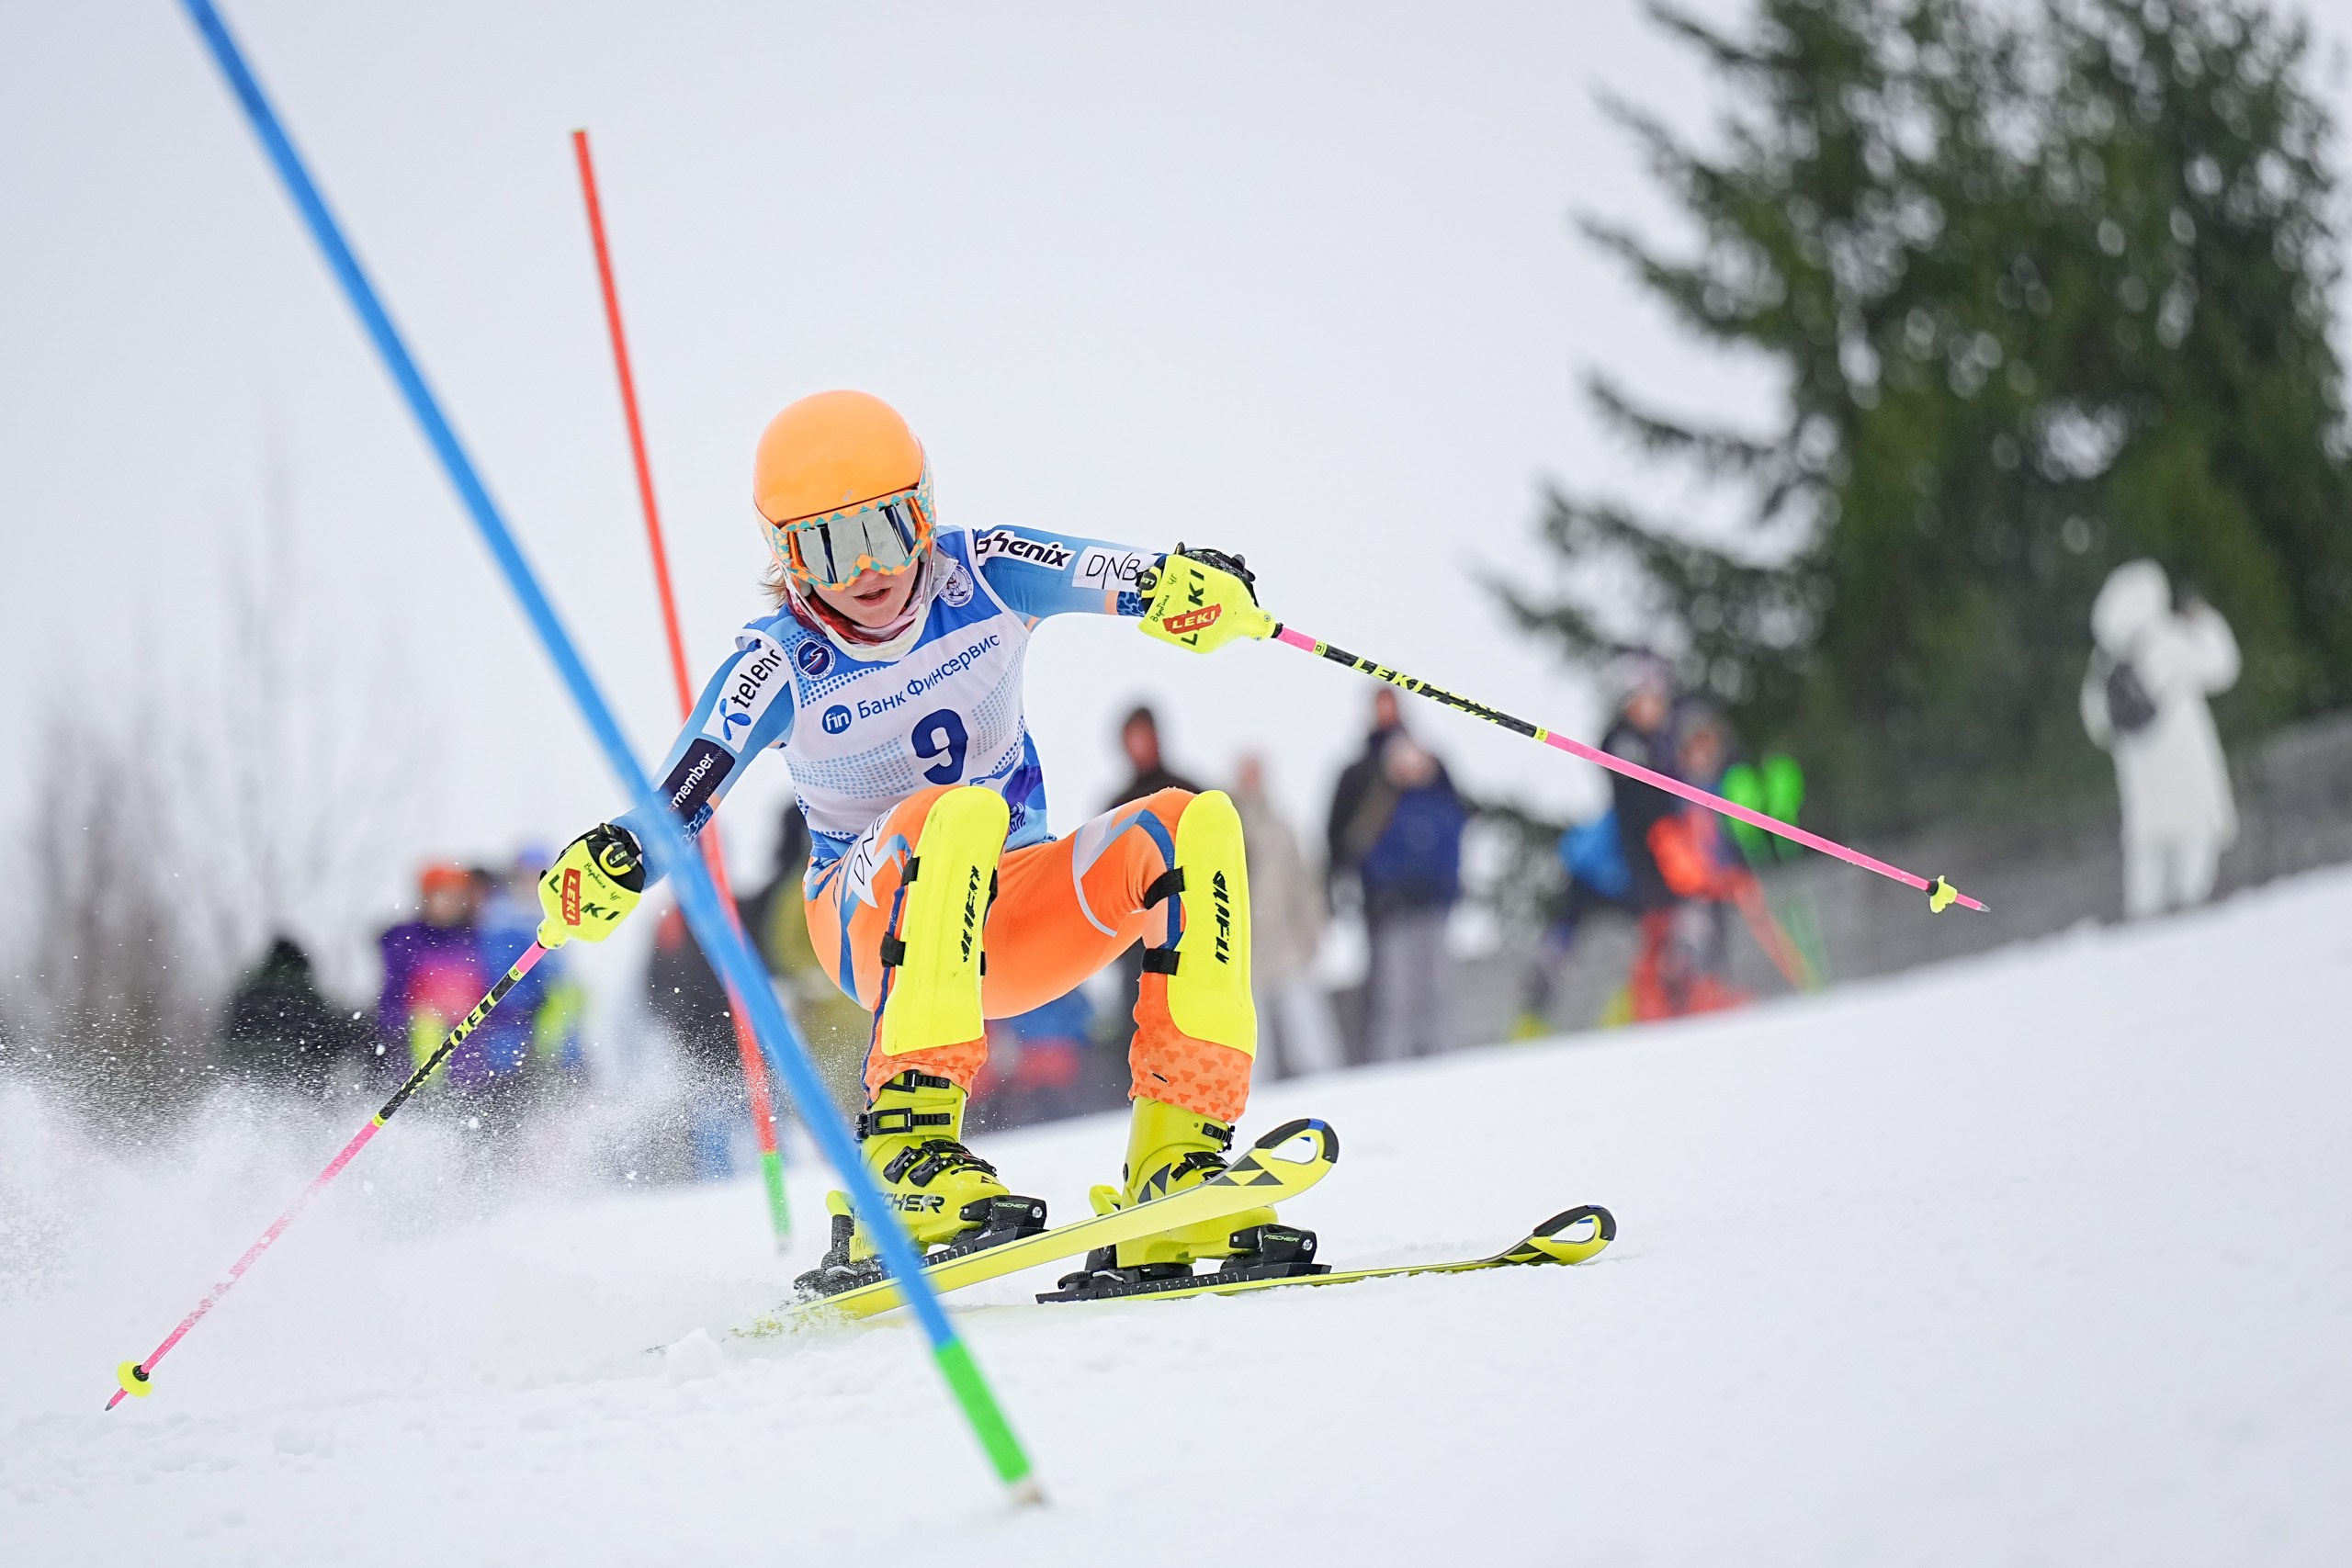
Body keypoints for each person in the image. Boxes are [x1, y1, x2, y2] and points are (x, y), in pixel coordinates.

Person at [528, 390, 1286, 1289]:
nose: (865, 569)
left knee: (1192, 824)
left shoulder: (987, 571)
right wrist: (615, 858)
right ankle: (902, 1155)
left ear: (923, 510)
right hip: (866, 917)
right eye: (826, 547)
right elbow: (680, 797)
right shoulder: (779, 661)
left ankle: (1179, 1158)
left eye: (885, 530)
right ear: (784, 556)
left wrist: (1187, 588)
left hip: (1013, 909)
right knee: (952, 814)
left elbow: (1118, 573)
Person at [2081, 559, 2242, 918]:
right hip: (2189, 768)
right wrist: (2205, 621)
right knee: (2196, 839)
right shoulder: (2167, 638)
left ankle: (2143, 919)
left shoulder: (2105, 659)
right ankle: (2192, 911)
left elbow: (2097, 723)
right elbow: (2222, 666)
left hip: (2141, 779)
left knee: (2147, 851)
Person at [1327, 690, 1467, 1063]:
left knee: (1436, 987)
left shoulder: (1436, 775)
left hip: (1432, 899)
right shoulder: (1361, 775)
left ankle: (1443, 1058)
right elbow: (1343, 841)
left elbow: (1458, 824)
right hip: (1386, 905)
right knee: (1392, 993)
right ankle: (1389, 1067)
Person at [1232, 753, 1342, 1077]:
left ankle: (1325, 1080)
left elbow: (1302, 882)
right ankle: (1253, 1087)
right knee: (1252, 1034)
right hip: (1245, 947)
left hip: (1285, 941)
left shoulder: (1280, 827)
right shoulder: (1229, 828)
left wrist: (1313, 927)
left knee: (1306, 1023)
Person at [218, 934, 368, 1096]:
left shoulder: (249, 988)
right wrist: (355, 1028)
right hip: (290, 1072)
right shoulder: (299, 991)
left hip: (243, 1073)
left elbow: (229, 1031)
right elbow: (322, 1028)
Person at [1110, 705, 1202, 804]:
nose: (1141, 744)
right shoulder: (1120, 806)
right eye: (1136, 738)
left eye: (1144, 735)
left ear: (1156, 737)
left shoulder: (1188, 793)